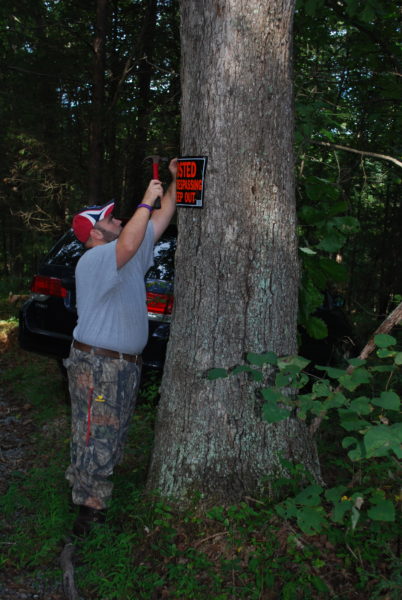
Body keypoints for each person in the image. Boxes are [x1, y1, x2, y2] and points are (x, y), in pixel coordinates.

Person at [64, 158, 177, 535]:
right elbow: (132, 237)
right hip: (99, 365)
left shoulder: (123, 258)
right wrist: (147, 196)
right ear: (94, 234)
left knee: (109, 433)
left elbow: (158, 220)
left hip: (123, 365)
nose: (118, 220)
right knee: (96, 433)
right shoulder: (95, 259)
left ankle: (89, 493)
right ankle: (88, 514)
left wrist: (178, 180)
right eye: (110, 219)